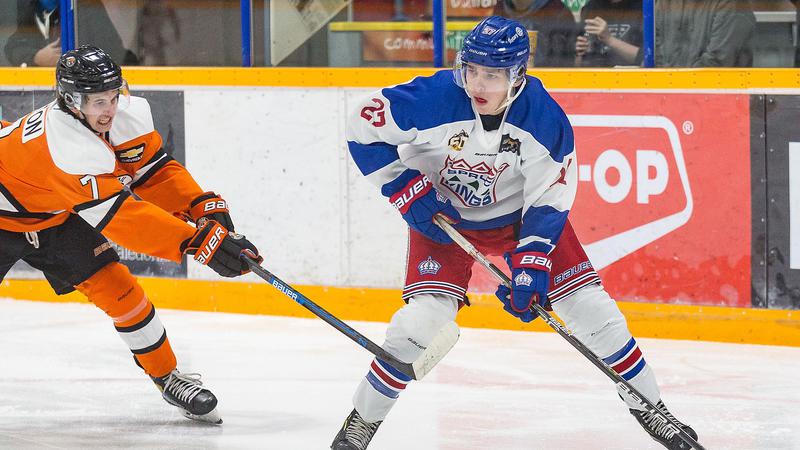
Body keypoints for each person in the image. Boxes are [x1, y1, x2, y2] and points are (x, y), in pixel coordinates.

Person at [332, 16, 699, 450]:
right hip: (440, 219)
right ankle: (362, 421)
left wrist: (531, 265)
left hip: (520, 219)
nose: (477, 84)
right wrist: (403, 189)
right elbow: (361, 127)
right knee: (418, 324)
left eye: (492, 75)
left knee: (593, 312)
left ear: (518, 74)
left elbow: (549, 199)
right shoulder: (432, 97)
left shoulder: (543, 118)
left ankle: (652, 408)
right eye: (471, 70)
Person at [0, 45, 260, 423]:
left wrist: (199, 204)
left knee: (122, 292)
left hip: (53, 215)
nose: (109, 109)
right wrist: (195, 242)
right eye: (98, 102)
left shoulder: (120, 115)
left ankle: (167, 376)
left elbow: (155, 173)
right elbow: (122, 217)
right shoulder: (63, 145)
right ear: (72, 101)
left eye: (113, 96)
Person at [4, 0, 139, 67]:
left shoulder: (85, 7)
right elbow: (13, 47)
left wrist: (74, 63)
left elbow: (112, 53)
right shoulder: (34, 8)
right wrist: (36, 57)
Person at [654, 0, 756, 67]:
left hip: (717, 91)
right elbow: (654, 54)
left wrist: (676, 85)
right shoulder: (665, 2)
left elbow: (717, 61)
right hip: (668, 90)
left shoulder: (733, 4)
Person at [493, 0, 578, 67]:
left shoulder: (557, 11)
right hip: (507, 77)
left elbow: (562, 62)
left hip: (544, 78)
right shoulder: (500, 9)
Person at [575, 0, 644, 67]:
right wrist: (580, 53)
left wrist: (609, 40)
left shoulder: (643, 7)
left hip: (629, 73)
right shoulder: (591, 6)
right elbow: (578, 63)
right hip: (594, 72)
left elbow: (644, 59)